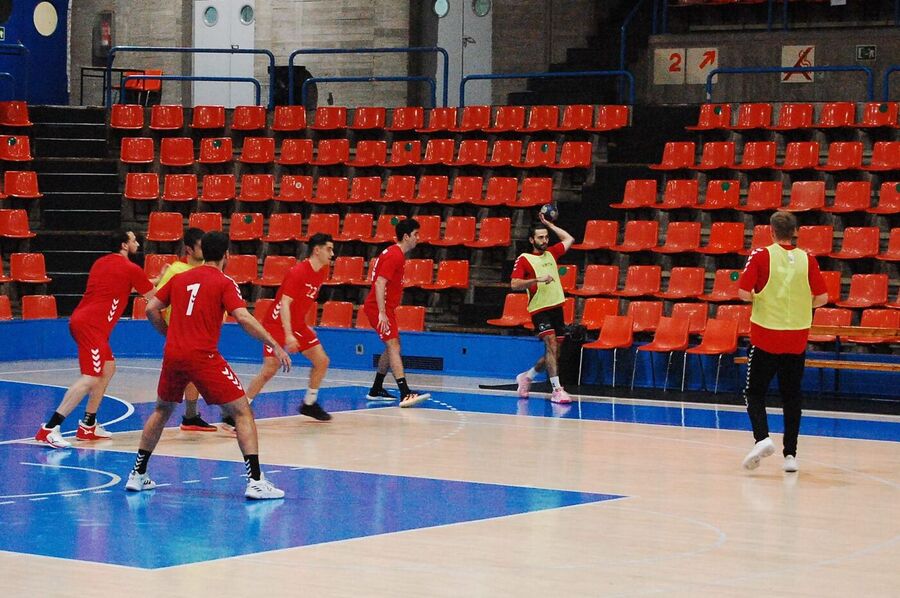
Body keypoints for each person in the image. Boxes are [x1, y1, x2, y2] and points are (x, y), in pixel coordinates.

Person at [128, 231, 291, 499]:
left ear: (203, 252)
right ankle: (256, 481)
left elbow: (150, 308)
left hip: (173, 354)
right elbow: (243, 317)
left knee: (162, 409)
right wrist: (273, 343)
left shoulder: (180, 278)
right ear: (227, 255)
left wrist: (168, 334)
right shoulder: (224, 282)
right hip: (203, 356)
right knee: (242, 412)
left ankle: (137, 474)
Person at [35, 230, 155, 448]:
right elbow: (153, 297)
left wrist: (158, 280)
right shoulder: (131, 268)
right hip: (92, 326)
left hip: (83, 320)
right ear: (124, 245)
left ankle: (88, 425)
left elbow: (128, 285)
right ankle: (50, 428)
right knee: (90, 377)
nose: (137, 243)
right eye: (134, 240)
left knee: (108, 367)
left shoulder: (101, 263)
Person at [738, 211, 828, 473]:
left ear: (771, 231)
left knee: (754, 392)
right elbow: (822, 297)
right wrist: (802, 305)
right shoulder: (807, 259)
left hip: (766, 335)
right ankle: (790, 455)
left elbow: (743, 292)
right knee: (792, 396)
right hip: (796, 337)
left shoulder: (761, 255)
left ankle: (762, 438)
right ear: (795, 232)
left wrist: (761, 299)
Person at [241, 232, 334, 423]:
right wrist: (289, 335)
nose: (332, 254)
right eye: (329, 249)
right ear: (317, 250)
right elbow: (285, 303)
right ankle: (237, 412)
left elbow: (304, 301)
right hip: (276, 323)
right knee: (270, 368)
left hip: (296, 323)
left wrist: (304, 325)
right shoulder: (298, 272)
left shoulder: (322, 271)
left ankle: (309, 404)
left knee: (322, 361)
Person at [153, 226, 218, 432]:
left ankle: (190, 416)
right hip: (181, 333)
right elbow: (156, 301)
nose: (205, 250)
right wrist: (167, 330)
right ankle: (227, 413)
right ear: (189, 249)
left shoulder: (209, 269)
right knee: (188, 376)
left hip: (201, 332)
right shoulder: (176, 271)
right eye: (200, 246)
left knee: (192, 376)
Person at [363, 218, 431, 408]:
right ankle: (405, 392)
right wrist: (382, 313)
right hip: (379, 308)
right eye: (416, 234)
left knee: (392, 345)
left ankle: (376, 389)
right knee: (393, 346)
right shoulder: (395, 255)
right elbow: (380, 283)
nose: (418, 238)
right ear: (406, 236)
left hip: (384, 307)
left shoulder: (394, 253)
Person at [511, 213, 576, 404]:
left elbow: (569, 239)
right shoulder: (524, 259)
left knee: (554, 352)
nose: (544, 240)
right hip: (540, 309)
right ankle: (557, 390)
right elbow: (514, 284)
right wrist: (536, 279)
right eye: (540, 237)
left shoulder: (552, 253)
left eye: (546, 237)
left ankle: (527, 376)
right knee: (551, 345)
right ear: (532, 240)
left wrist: (549, 225)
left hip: (557, 307)